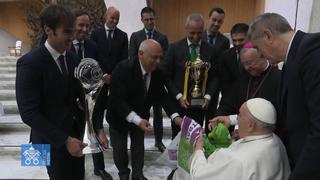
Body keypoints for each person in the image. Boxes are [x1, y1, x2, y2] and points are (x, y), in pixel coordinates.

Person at [16, 4, 86, 180]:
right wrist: (65, 140)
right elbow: (28, 113)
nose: (72, 38)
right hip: (48, 139)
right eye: (67, 32)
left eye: (73, 32)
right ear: (48, 29)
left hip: (75, 135)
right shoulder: (29, 63)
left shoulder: (72, 57)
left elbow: (78, 95)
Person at [248, 12, 320, 179]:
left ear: (268, 36)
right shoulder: (290, 59)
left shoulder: (312, 51)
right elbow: (287, 110)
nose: (259, 55)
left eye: (258, 48)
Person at [107, 39, 183, 180]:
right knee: (120, 149)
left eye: (160, 57)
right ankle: (123, 174)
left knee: (138, 148)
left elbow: (163, 96)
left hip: (141, 117)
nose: (158, 61)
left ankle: (137, 174)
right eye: (154, 57)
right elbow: (116, 100)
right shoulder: (123, 68)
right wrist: (136, 120)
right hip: (119, 117)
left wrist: (175, 117)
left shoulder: (157, 72)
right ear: (141, 54)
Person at [173, 98, 291, 180]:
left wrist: (198, 150)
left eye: (239, 115)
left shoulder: (237, 161)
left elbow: (200, 176)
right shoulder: (275, 140)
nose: (236, 119)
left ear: (251, 126)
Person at [161, 14, 219, 139]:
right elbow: (165, 75)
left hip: (200, 105)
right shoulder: (174, 48)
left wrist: (208, 96)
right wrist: (178, 95)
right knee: (178, 139)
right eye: (192, 33)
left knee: (195, 138)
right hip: (179, 104)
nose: (196, 37)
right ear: (186, 28)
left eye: (199, 33)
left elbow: (215, 76)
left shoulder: (210, 50)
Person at [70, 9, 112, 180]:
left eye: (88, 25)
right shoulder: (63, 47)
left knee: (94, 132)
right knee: (73, 138)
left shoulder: (93, 47)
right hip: (70, 103)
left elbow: (97, 75)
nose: (85, 29)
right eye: (81, 25)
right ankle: (74, 169)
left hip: (91, 100)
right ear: (72, 24)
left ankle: (99, 168)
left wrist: (103, 78)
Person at [212, 43, 281, 138]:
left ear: (263, 56)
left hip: (267, 136)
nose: (247, 68)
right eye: (243, 64)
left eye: (250, 63)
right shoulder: (244, 78)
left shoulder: (279, 78)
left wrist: (243, 130)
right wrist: (219, 116)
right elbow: (228, 102)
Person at [129, 7, 169, 152]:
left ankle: (159, 141)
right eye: (146, 19)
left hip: (155, 80)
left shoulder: (162, 37)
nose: (149, 22)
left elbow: (165, 59)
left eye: (151, 19)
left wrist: (153, 70)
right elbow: (132, 57)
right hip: (138, 81)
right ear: (142, 20)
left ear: (155, 18)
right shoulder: (135, 36)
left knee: (158, 112)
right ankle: (137, 140)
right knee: (139, 111)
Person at [90, 6, 128, 85]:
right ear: (106, 16)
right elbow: (93, 56)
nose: (115, 21)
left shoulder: (123, 36)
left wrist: (113, 76)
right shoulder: (95, 34)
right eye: (112, 18)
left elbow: (124, 59)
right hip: (98, 78)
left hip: (116, 79)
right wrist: (103, 74)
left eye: (117, 19)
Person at [219, 23, 249, 97]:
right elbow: (224, 83)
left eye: (241, 40)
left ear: (249, 38)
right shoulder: (226, 56)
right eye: (234, 40)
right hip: (231, 99)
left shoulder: (258, 55)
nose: (237, 43)